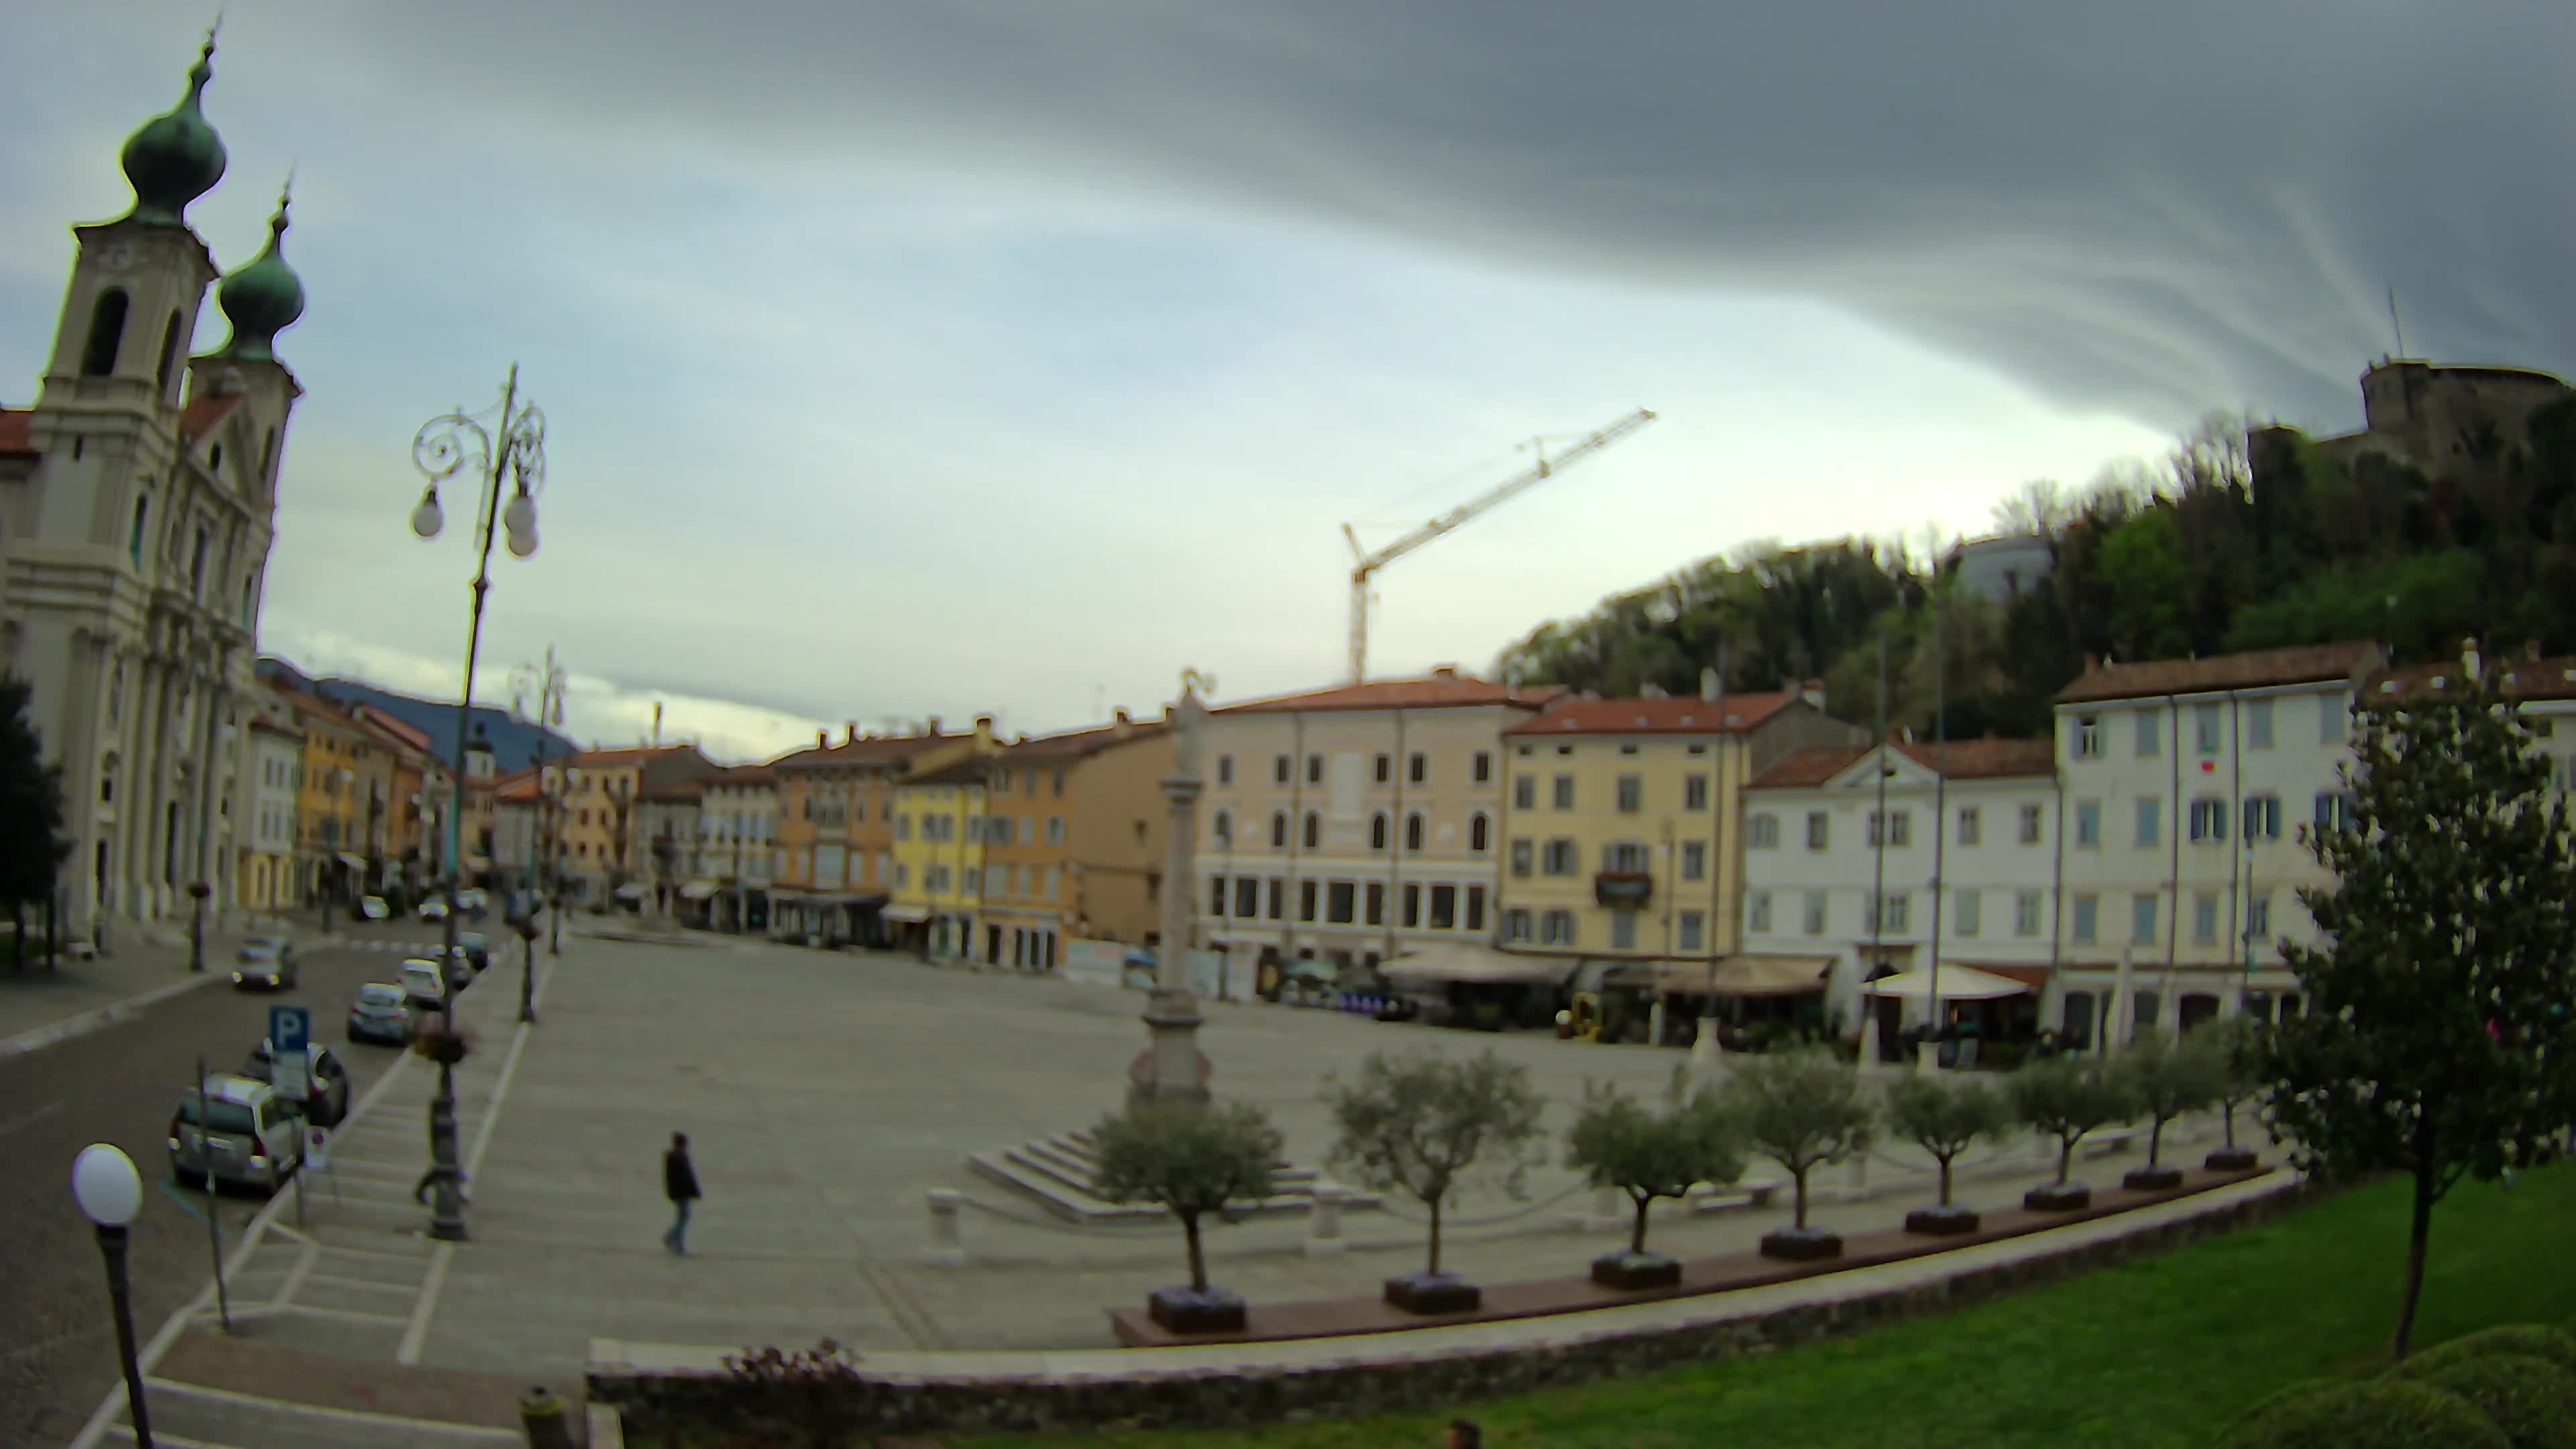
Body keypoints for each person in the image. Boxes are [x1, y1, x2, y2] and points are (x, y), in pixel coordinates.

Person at [662, 1131, 702, 1255]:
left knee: (682, 1218)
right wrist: (694, 1191)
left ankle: (671, 1238)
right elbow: (687, 1177)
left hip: (679, 1192)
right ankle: (678, 1246)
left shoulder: (674, 1156)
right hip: (683, 1193)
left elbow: (669, 1178)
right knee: (683, 1219)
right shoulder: (680, 1157)